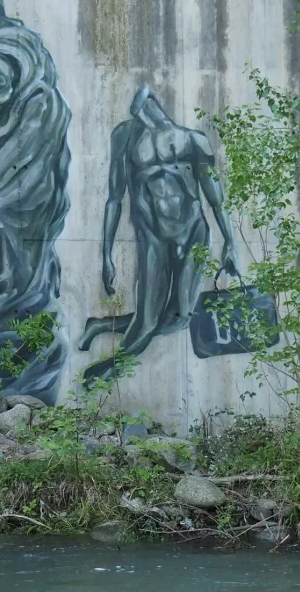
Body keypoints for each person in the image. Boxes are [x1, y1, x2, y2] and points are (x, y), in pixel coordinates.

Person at [78, 83, 239, 382]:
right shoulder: (126, 139)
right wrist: (106, 256)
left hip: (192, 233)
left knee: (177, 320)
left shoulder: (194, 141)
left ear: (156, 104)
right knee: (147, 322)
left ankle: (101, 326)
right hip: (153, 236)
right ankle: (101, 372)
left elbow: (216, 198)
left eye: (146, 106)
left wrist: (230, 241)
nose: (143, 114)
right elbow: (114, 198)